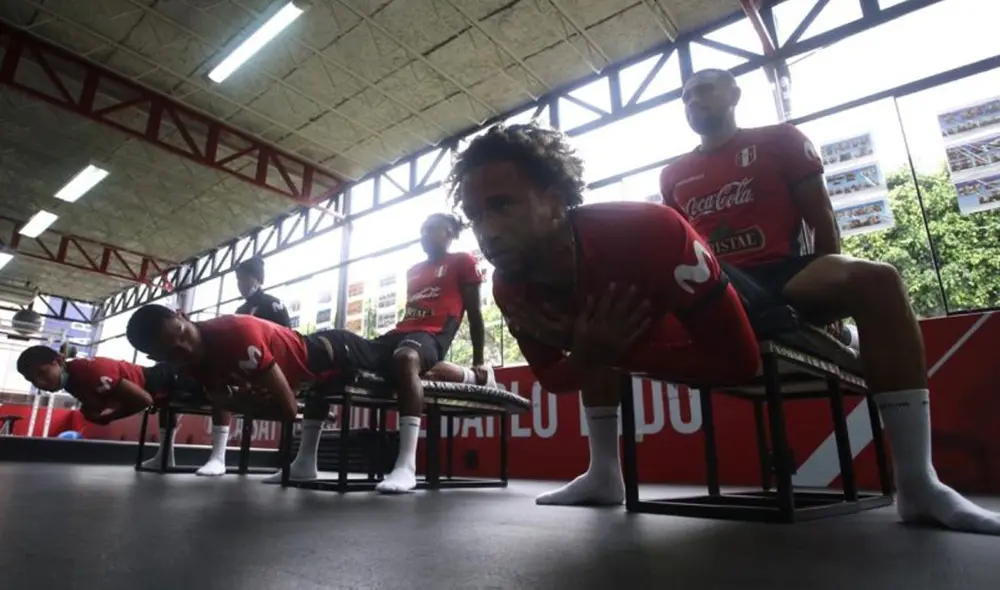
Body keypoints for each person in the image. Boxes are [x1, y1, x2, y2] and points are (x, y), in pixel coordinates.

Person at [659, 68, 1000, 535]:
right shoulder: (672, 174)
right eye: (686, 96)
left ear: (734, 93)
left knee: (879, 280)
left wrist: (834, 307)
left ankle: (919, 485)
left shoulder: (781, 140)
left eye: (704, 89)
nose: (694, 99)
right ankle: (604, 472)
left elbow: (821, 219)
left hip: (786, 274)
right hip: (720, 287)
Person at [448, 122, 761, 507]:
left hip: (742, 300)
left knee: (786, 310)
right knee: (592, 322)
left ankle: (848, 339)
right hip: (647, 339)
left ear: (555, 201)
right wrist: (584, 355)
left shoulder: (649, 230)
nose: (487, 232)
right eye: (474, 216)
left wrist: (603, 353)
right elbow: (552, 377)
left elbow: (741, 362)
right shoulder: (508, 285)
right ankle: (604, 473)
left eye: (502, 205)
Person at [260, 212, 495, 493]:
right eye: (421, 230)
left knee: (405, 359)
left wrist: (480, 359)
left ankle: (406, 466)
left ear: (450, 233)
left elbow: (475, 313)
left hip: (432, 336)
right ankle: (304, 462)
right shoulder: (415, 270)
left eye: (432, 229)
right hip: (398, 334)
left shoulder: (463, 261)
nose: (424, 235)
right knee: (331, 346)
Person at [16, 345, 204, 469]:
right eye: (32, 380)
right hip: (153, 383)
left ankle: (213, 458)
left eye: (42, 373)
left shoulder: (87, 372)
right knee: (165, 408)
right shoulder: (71, 381)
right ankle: (165, 457)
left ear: (58, 361)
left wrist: (109, 417)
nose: (40, 382)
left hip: (166, 378)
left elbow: (144, 400)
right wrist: (91, 411)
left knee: (217, 394)